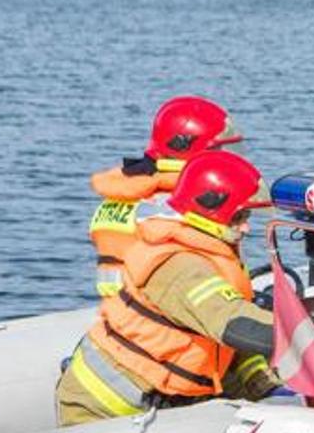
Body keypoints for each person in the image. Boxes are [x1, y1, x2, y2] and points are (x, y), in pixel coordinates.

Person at [56, 151, 282, 426]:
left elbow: (226, 343)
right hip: (103, 406)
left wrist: (266, 387)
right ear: (211, 209)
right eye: (239, 217)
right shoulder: (179, 264)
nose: (246, 228)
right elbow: (233, 323)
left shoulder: (208, 251)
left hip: (152, 397)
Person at [88, 96, 244, 298]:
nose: (229, 161)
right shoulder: (186, 203)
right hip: (174, 317)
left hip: (123, 311)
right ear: (191, 149)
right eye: (221, 151)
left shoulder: (122, 193)